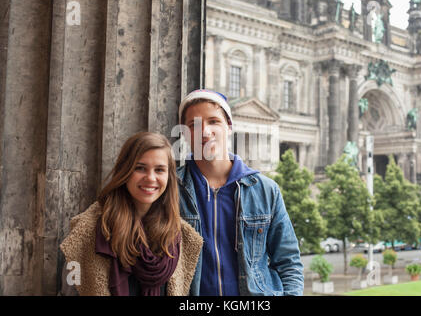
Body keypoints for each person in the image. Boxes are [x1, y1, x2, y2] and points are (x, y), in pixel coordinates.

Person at [177, 89, 304, 296]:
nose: (205, 132)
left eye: (213, 122)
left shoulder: (265, 190)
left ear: (228, 127)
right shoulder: (170, 189)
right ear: (184, 133)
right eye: (194, 125)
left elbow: (288, 262)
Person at [59, 132, 203, 296]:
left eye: (159, 170)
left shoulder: (183, 238)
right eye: (140, 168)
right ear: (125, 171)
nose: (150, 178)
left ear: (169, 177)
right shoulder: (87, 232)